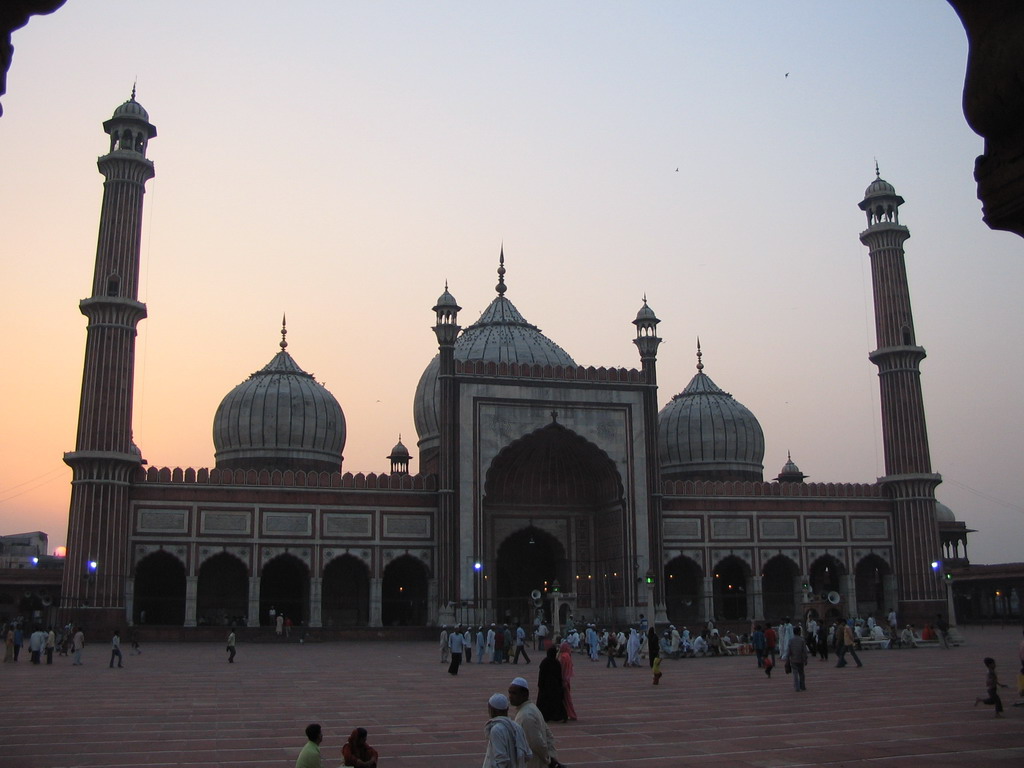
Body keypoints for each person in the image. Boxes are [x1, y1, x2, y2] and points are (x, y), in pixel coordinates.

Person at [508, 676, 564, 768]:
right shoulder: (531, 708)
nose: (510, 696)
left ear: (524, 695)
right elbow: (548, 734)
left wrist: (549, 760)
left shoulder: (525, 715)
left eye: (514, 693)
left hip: (534, 763)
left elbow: (537, 743)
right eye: (509, 692)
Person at [536, 645, 567, 722]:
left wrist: (540, 685)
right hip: (555, 686)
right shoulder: (557, 662)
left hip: (546, 686)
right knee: (556, 701)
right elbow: (559, 676)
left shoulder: (544, 662)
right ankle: (557, 716)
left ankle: (545, 716)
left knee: (544, 702)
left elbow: (541, 675)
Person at [557, 640, 578, 721]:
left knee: (565, 698)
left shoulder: (563, 657)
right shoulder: (568, 655)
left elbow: (561, 669)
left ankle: (568, 714)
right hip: (567, 679)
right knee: (567, 698)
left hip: (563, 679)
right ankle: (571, 713)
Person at [786, 626, 809, 691]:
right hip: (800, 659)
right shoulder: (802, 640)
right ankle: (802, 686)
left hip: (793, 659)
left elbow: (789, 650)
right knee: (801, 673)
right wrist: (805, 659)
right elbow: (804, 651)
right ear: (799, 632)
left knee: (795, 674)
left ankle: (797, 687)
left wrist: (788, 658)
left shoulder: (791, 640)